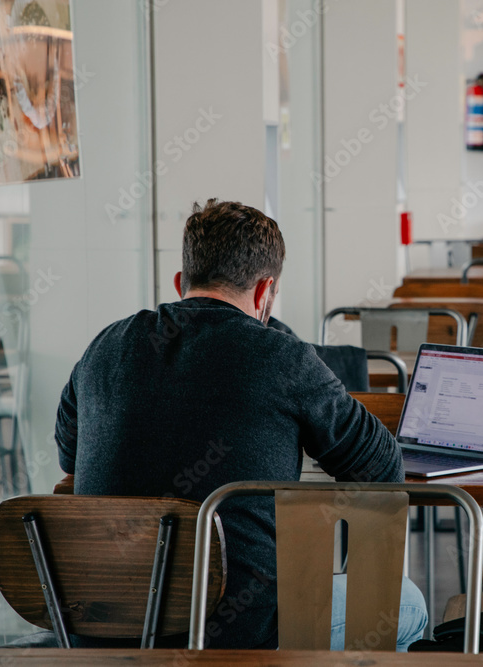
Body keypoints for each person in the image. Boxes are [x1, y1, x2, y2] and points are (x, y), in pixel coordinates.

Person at [55, 199, 427, 650]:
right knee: (407, 604)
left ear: (180, 282)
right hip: (237, 632)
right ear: (264, 292)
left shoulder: (104, 347)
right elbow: (382, 468)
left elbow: (70, 456)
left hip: (97, 624)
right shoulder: (280, 355)